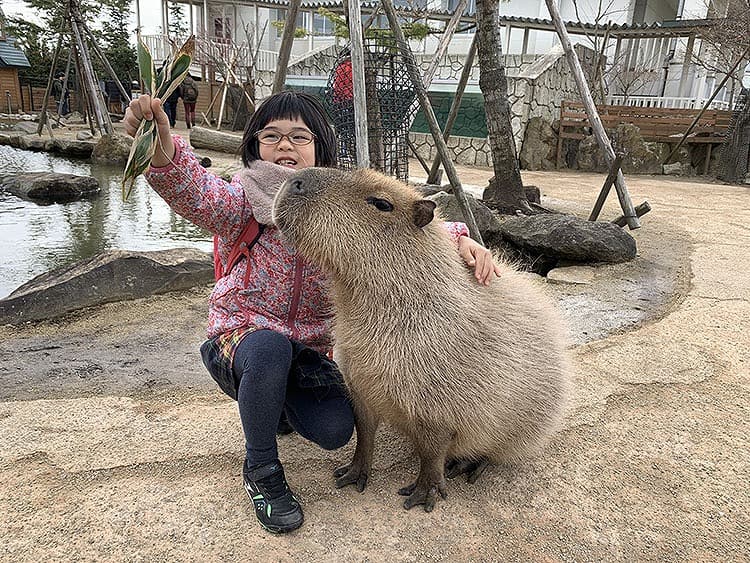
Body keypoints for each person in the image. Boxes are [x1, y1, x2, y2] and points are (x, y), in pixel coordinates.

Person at [123, 90, 501, 534]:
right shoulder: (239, 202)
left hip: (307, 355)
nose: (285, 145)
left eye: (299, 136)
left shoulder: (336, 198)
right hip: (243, 341)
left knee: (335, 430)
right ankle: (262, 472)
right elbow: (193, 191)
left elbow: (398, 220)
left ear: (320, 147)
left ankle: (276, 406)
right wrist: (162, 147)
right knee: (267, 352)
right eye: (272, 135)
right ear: (253, 145)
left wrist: (462, 238)